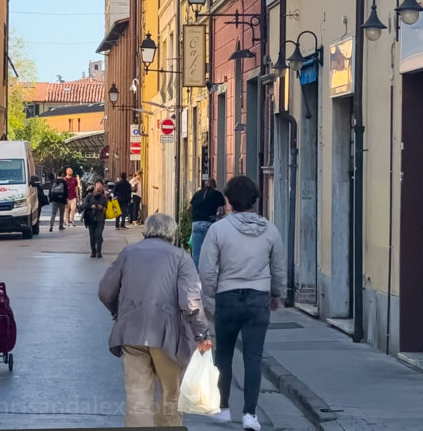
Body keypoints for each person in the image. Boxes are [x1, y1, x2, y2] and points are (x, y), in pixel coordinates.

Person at [98, 213, 213, 427]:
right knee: (170, 394)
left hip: (132, 333)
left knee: (137, 396)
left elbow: (105, 291)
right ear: (172, 233)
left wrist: (118, 313)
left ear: (146, 231)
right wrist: (202, 333)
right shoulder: (180, 257)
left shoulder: (128, 253)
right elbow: (191, 301)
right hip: (168, 335)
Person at [198, 175, 287, 431]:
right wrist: (275, 294)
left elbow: (207, 270)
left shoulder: (218, 230)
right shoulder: (270, 230)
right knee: (253, 357)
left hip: (227, 297)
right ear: (255, 201)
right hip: (258, 298)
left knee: (223, 356)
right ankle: (250, 414)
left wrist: (210, 297)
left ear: (229, 201)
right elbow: (278, 267)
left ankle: (224, 408)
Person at [188, 178, 226, 266]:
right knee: (208, 251)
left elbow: (189, 209)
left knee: (196, 253)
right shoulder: (217, 194)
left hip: (196, 224)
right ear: (214, 185)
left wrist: (194, 218)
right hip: (209, 224)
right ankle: (206, 273)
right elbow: (222, 211)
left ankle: (196, 275)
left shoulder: (197, 194)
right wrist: (217, 217)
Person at [82, 181, 110, 258]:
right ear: (94, 188)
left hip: (100, 219)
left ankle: (99, 252)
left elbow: (106, 207)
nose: (98, 191)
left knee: (99, 234)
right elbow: (84, 205)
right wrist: (91, 206)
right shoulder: (89, 196)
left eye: (100, 190)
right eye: (97, 189)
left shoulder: (104, 198)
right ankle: (93, 252)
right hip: (91, 218)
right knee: (92, 236)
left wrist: (103, 208)